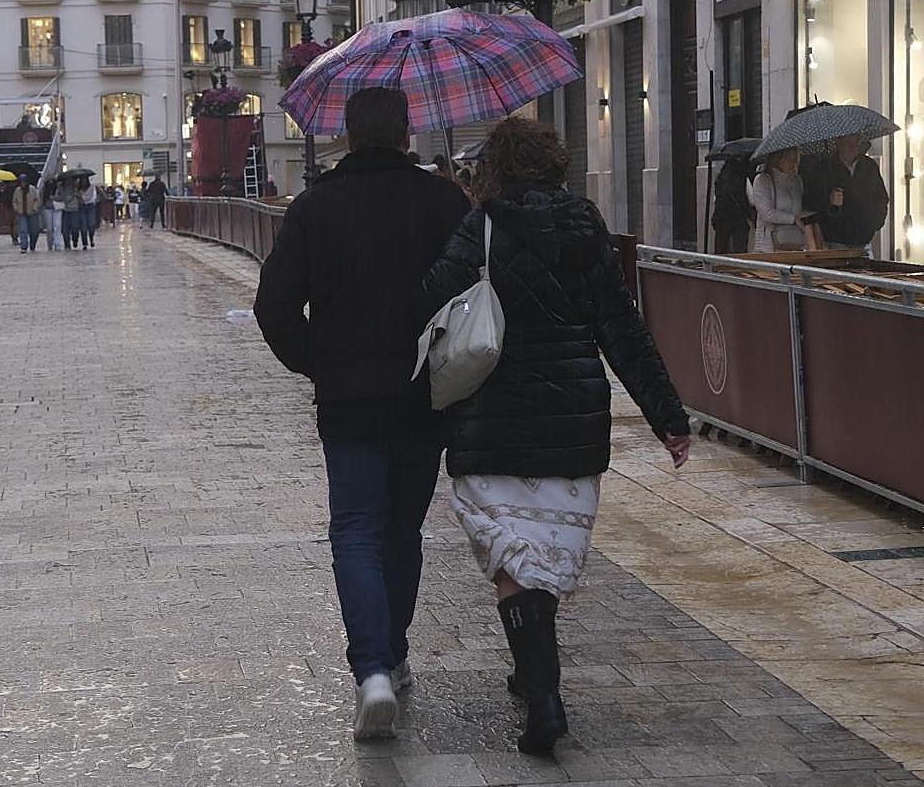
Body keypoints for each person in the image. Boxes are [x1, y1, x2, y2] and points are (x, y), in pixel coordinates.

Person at [422, 117, 691, 756]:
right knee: (543, 552)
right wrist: (668, 418)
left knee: (513, 556)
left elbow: (431, 297)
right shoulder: (584, 224)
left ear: (495, 168)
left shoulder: (480, 226)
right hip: (573, 421)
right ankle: (534, 675)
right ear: (552, 163)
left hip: (493, 421)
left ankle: (543, 694)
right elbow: (621, 328)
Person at [254, 87, 471, 741]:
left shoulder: (316, 207)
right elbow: (473, 293)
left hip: (347, 398)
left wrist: (314, 361)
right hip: (422, 395)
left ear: (347, 134)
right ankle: (394, 653)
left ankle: (373, 671)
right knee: (402, 531)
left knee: (354, 529)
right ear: (407, 132)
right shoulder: (443, 201)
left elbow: (273, 307)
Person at [802, 134, 890, 253]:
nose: (853, 148)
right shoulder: (824, 168)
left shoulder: (869, 166)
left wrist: (875, 223)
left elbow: (881, 198)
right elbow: (811, 201)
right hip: (835, 238)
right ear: (838, 143)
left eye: (856, 144)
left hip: (864, 237)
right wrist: (830, 202)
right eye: (849, 144)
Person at [752, 148, 815, 253]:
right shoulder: (762, 180)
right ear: (777, 159)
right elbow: (767, 213)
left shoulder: (797, 181)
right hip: (768, 246)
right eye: (789, 159)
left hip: (794, 242)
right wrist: (793, 219)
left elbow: (800, 208)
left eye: (796, 159)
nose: (793, 163)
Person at [712, 156, 755, 254]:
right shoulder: (743, 176)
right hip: (739, 217)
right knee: (740, 248)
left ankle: (719, 266)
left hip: (721, 217)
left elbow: (715, 199)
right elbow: (752, 199)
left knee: (721, 247)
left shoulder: (720, 178)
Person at [12, 174, 41, 253]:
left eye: (24, 182)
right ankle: (24, 247)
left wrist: (34, 208)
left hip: (32, 213)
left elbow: (37, 199)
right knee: (23, 230)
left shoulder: (32, 189)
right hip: (21, 213)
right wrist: (16, 208)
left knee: (34, 231)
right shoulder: (17, 190)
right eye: (21, 182)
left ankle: (32, 245)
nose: (23, 183)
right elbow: (14, 201)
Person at [57, 179, 82, 249]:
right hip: (65, 210)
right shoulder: (62, 188)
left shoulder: (76, 188)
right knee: (65, 229)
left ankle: (75, 239)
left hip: (75, 210)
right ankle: (67, 244)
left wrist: (77, 194)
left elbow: (81, 198)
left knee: (75, 228)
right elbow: (59, 197)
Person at [78, 176, 98, 248]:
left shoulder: (92, 187)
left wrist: (83, 198)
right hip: (82, 207)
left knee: (91, 225)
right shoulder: (78, 189)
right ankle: (85, 243)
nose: (84, 182)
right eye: (82, 180)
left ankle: (91, 239)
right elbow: (79, 199)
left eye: (85, 180)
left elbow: (93, 197)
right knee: (83, 226)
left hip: (90, 206)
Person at [41, 178, 59, 250]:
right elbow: (41, 198)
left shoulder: (57, 189)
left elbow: (62, 197)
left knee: (57, 226)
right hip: (47, 209)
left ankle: (56, 243)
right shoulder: (44, 190)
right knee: (49, 228)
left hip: (56, 208)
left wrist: (54, 197)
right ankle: (50, 244)